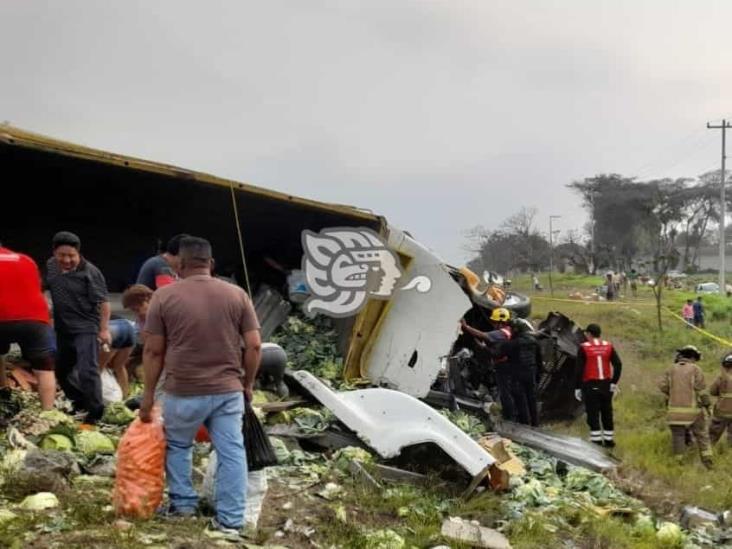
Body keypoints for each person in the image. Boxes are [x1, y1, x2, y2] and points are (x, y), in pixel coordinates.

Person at [139, 236, 262, 536]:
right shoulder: (237, 295)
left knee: (179, 446)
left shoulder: (163, 297)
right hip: (227, 389)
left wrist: (148, 395)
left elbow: (153, 351)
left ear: (179, 264)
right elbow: (255, 345)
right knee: (232, 450)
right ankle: (231, 521)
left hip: (183, 390)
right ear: (211, 263)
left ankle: (183, 506)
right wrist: (247, 384)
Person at [46, 231, 111, 423]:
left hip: (86, 326)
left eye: (71, 256)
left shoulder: (90, 272)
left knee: (87, 370)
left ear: (78, 254)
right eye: (62, 255)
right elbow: (45, 286)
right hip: (62, 327)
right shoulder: (50, 266)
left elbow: (104, 302)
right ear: (54, 253)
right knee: (61, 371)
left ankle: (96, 412)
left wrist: (104, 329)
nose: (67, 260)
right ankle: (80, 401)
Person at [0, 242, 57, 410]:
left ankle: (4, 395)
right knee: (44, 368)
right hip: (35, 320)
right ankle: (48, 415)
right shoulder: (26, 260)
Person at [658, 345, 713, 468]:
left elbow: (663, 386)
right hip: (693, 412)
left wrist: (673, 393)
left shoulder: (670, 369)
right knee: (702, 435)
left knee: (678, 437)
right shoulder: (696, 369)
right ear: (693, 357)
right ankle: (708, 461)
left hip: (674, 413)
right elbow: (702, 390)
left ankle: (679, 463)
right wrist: (707, 405)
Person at [460, 308, 515, 421]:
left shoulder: (502, 333)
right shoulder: (510, 331)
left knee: (505, 393)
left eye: (495, 322)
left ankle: (509, 417)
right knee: (504, 391)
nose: (494, 324)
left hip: (504, 366)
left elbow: (484, 335)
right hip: (506, 365)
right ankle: (509, 413)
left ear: (501, 321)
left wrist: (466, 327)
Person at [574, 323, 622, 447]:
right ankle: (609, 440)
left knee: (593, 413)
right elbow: (618, 364)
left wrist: (577, 387)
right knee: (607, 412)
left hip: (590, 384)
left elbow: (579, 369)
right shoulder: (608, 346)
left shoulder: (584, 347)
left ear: (589, 334)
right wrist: (613, 382)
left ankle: (596, 440)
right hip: (606, 384)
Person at [499, 318, 542, 426]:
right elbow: (539, 360)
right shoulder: (534, 341)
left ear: (516, 330)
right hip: (531, 373)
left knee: (520, 399)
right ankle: (535, 424)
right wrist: (538, 375)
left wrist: (483, 347)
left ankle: (525, 424)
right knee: (532, 399)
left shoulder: (512, 344)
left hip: (517, 374)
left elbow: (498, 353)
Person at [99, 318, 136, 399]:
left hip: (112, 333)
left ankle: (95, 400)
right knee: (119, 366)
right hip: (129, 328)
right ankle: (126, 398)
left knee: (97, 370)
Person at [709, 352, 732, 446]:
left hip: (721, 412)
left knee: (711, 437)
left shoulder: (721, 377)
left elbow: (712, 391)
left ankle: (705, 457)